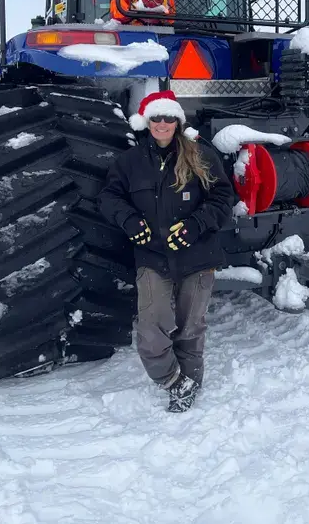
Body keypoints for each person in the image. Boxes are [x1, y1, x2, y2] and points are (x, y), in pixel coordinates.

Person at [99, 90, 234, 412]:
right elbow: (109, 198)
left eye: (168, 118)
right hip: (152, 257)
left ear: (177, 121)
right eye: (156, 118)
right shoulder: (129, 162)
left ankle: (190, 386)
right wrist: (130, 221)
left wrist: (195, 225)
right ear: (147, 122)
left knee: (191, 328)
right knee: (150, 330)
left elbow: (222, 198)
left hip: (198, 256)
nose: (162, 124)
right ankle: (173, 381)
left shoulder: (200, 155)